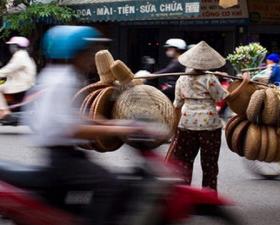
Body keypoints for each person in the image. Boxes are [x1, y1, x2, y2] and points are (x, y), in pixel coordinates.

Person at [24, 26, 147, 225]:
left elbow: (76, 114)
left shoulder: (63, 75)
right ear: (75, 53)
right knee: (109, 185)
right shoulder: (63, 80)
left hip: (66, 154)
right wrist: (118, 128)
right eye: (88, 52)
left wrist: (114, 122)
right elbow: (70, 127)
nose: (92, 57)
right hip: (61, 157)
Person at [172, 41, 250, 191]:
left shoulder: (181, 78)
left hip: (186, 124)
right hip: (209, 126)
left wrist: (175, 128)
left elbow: (177, 104)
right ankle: (208, 200)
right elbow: (226, 97)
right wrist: (244, 83)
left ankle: (183, 197)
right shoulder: (210, 79)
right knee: (209, 165)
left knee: (184, 164)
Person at [0, 36, 36, 119]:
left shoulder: (20, 56)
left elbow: (9, 69)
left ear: (16, 46)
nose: (10, 48)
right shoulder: (25, 55)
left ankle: (4, 111)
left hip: (21, 84)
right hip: (23, 82)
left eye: (12, 46)